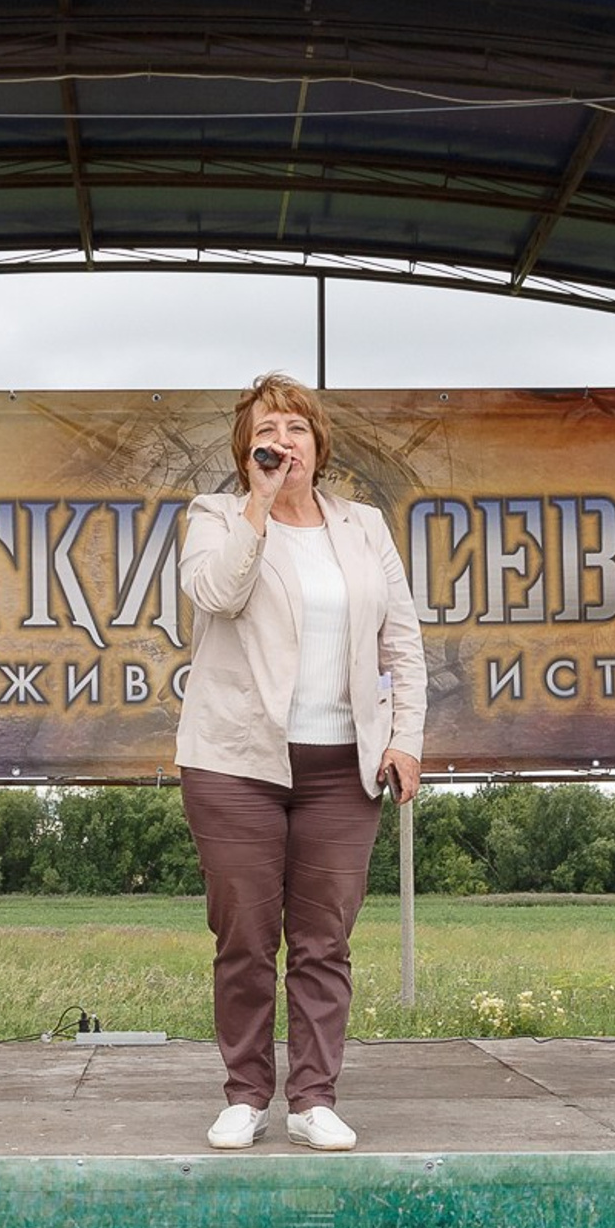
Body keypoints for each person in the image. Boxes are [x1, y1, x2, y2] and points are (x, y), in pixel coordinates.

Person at [176, 373, 429, 1151]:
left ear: (320, 446)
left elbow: (402, 640)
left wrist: (406, 737)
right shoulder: (215, 516)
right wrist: (258, 505)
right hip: (235, 762)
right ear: (245, 449)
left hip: (340, 769)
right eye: (268, 430)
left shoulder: (364, 527)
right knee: (246, 938)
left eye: (297, 428)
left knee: (324, 941)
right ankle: (246, 1094)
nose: (283, 441)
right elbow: (215, 592)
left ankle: (313, 1097)